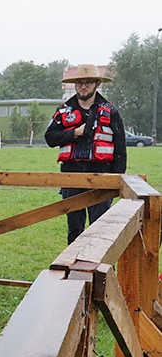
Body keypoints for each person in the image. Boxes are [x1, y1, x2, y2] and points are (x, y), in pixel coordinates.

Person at [44, 63, 126, 244]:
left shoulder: (111, 111)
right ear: (74, 85)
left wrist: (116, 181)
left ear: (97, 84)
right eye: (80, 82)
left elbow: (120, 150)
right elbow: (50, 138)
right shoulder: (63, 110)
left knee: (101, 230)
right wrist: (75, 133)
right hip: (71, 178)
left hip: (101, 178)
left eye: (88, 82)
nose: (83, 86)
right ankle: (73, 269)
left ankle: (102, 270)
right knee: (74, 230)